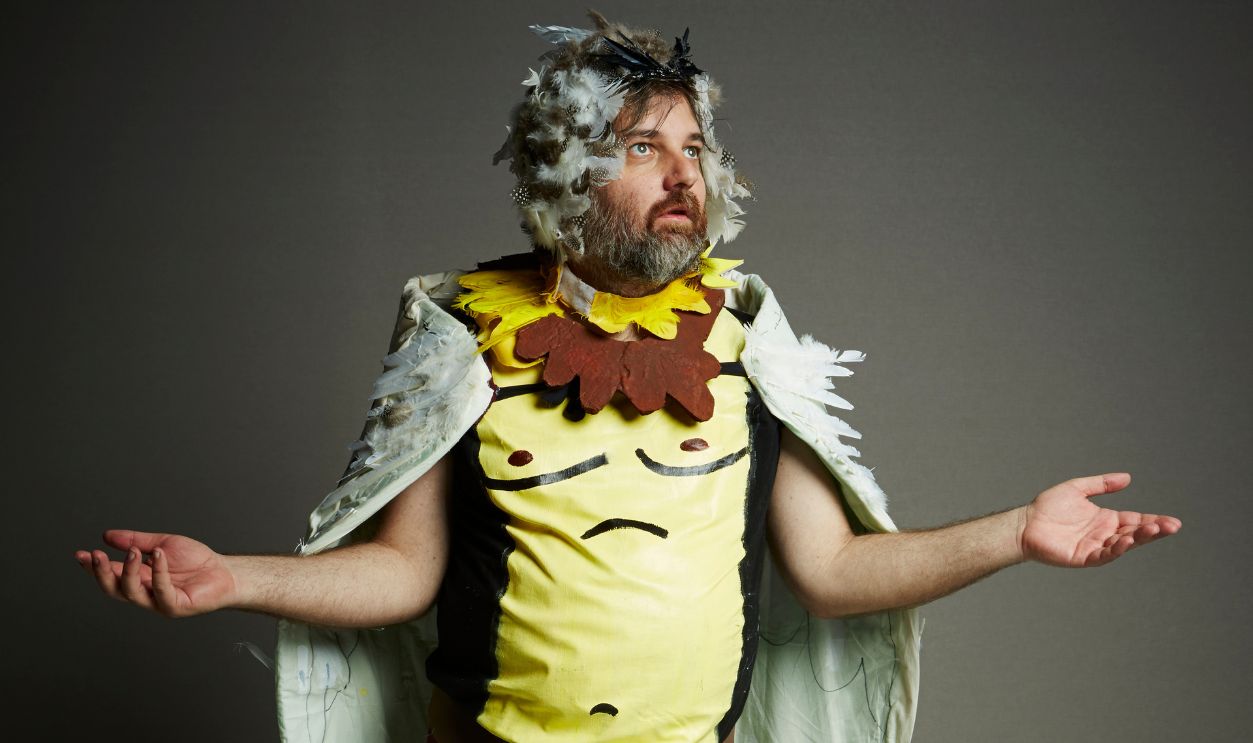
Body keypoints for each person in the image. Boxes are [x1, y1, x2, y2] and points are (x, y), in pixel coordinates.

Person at [75, 15, 1181, 743]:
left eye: (692, 147)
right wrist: (234, 577)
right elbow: (403, 573)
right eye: (643, 147)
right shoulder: (458, 330)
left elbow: (833, 569)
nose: (680, 173)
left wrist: (1017, 532)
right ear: (565, 169)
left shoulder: (746, 332)